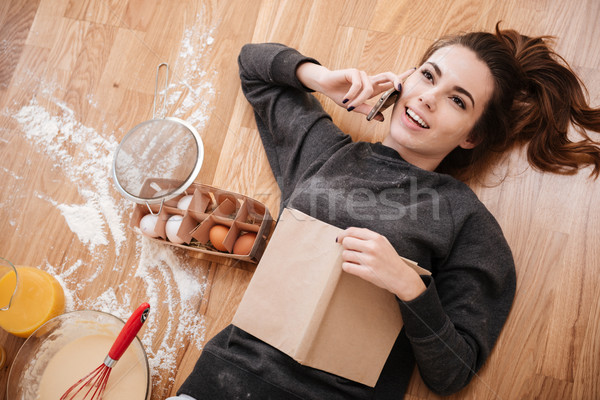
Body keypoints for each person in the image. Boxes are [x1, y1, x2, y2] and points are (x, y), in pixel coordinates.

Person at [172, 24, 600, 399]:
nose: (429, 97)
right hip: (222, 380)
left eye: (458, 101)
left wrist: (409, 286)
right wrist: (320, 79)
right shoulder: (324, 153)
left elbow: (453, 374)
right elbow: (253, 66)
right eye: (428, 75)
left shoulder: (468, 223)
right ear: (405, 79)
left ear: (472, 137)